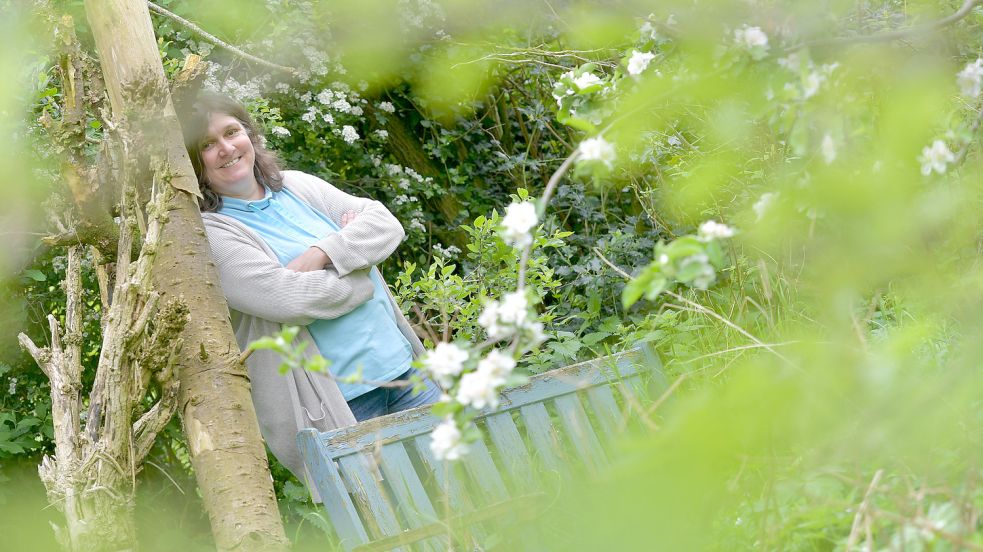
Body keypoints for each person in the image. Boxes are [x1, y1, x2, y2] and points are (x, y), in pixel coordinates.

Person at [179, 92, 439, 495]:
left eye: (231, 132)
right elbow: (290, 299)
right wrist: (360, 269)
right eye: (207, 145)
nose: (226, 149)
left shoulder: (298, 186)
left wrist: (321, 253)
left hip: (407, 375)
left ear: (249, 133)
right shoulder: (213, 233)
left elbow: (385, 224)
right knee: (400, 525)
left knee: (464, 500)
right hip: (344, 403)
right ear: (194, 162)